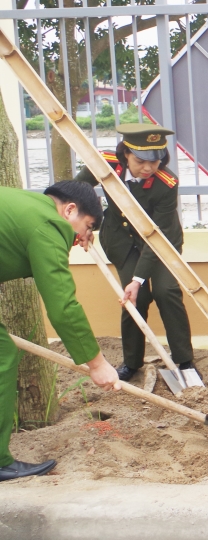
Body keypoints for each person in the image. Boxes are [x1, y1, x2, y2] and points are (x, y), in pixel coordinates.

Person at [0, 181, 121, 481]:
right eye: (87, 226)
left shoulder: (25, 205)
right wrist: (97, 364)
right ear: (69, 210)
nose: (82, 238)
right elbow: (63, 306)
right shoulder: (49, 225)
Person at [75, 124, 197, 382]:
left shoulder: (166, 183)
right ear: (126, 154)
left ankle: (185, 362)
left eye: (156, 161)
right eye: (141, 161)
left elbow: (157, 236)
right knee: (135, 300)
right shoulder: (105, 164)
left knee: (167, 292)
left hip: (160, 244)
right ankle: (132, 363)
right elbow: (76, 192)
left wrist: (139, 278)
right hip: (122, 242)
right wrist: (83, 225)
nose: (149, 168)